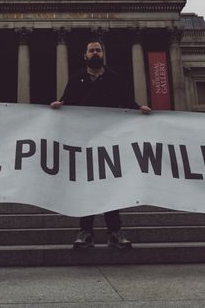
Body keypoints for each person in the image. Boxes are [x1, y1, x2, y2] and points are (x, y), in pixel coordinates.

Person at [50, 40, 151, 250]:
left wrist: (140, 109)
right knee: (87, 187)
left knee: (110, 188)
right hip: (85, 142)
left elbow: (128, 104)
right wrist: (59, 106)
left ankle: (115, 232)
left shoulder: (115, 79)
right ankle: (85, 232)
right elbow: (66, 102)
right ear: (85, 55)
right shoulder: (76, 79)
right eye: (91, 50)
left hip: (110, 142)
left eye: (98, 50)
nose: (95, 53)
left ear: (103, 54)